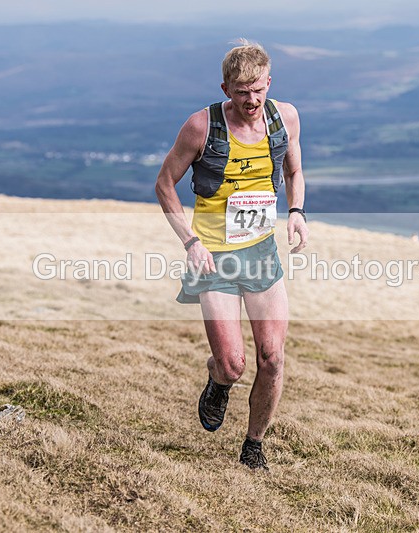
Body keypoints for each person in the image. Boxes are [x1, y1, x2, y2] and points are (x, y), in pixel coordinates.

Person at [155, 40, 308, 470]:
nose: (251, 100)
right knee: (233, 363)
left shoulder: (286, 117)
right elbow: (165, 183)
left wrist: (296, 212)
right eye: (241, 92)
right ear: (226, 88)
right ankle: (218, 381)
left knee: (273, 357)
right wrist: (190, 241)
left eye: (258, 89)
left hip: (261, 252)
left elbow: (294, 170)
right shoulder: (200, 127)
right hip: (214, 257)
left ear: (269, 82)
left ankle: (253, 444)